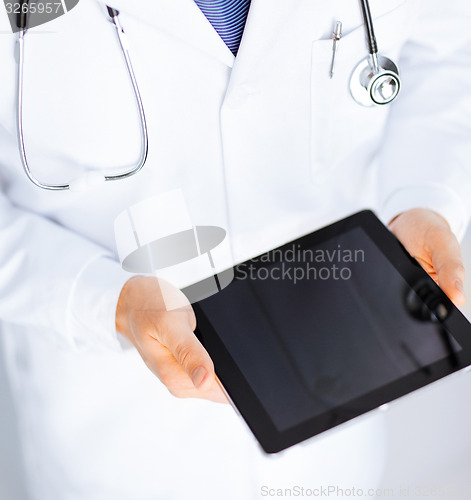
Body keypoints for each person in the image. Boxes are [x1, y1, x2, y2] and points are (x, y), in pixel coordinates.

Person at [0, 0, 470, 498]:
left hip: (334, 418)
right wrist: (101, 302)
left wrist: (426, 198)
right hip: (120, 441)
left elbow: (452, 50)